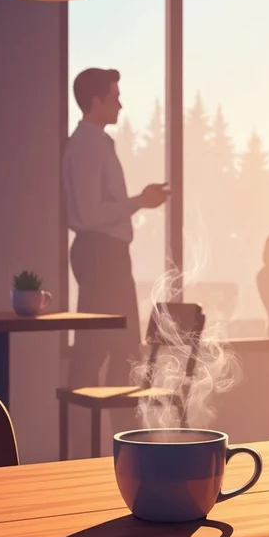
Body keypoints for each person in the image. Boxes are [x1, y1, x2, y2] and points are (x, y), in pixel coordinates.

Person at [62, 68, 169, 457]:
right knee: (118, 353)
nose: (120, 102)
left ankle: (99, 454)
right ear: (96, 101)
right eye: (114, 95)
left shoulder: (90, 144)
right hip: (103, 254)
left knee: (101, 352)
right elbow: (90, 212)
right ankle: (131, 455)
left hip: (102, 254)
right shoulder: (89, 146)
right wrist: (141, 201)